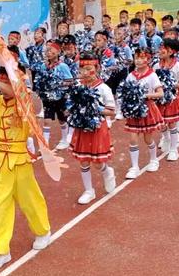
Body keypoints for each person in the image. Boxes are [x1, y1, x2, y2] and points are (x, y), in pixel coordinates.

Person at [0, 65, 51, 270]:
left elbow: (18, 93)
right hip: (0, 160)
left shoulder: (26, 98)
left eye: (6, 80)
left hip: (20, 159)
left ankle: (42, 231)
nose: (3, 85)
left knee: (30, 200)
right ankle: (1, 250)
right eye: (1, 80)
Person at [69, 53, 116, 204]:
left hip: (97, 127)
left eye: (89, 68)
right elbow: (71, 106)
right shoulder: (78, 87)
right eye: (82, 69)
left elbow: (111, 111)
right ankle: (89, 190)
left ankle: (107, 171)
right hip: (82, 127)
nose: (85, 72)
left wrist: (94, 108)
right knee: (83, 160)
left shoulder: (104, 88)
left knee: (97, 162)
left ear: (97, 68)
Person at [124, 48, 164, 179]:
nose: (138, 60)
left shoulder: (152, 75)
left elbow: (160, 93)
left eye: (142, 58)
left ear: (148, 60)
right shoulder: (131, 75)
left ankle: (154, 159)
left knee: (148, 139)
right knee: (133, 139)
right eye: (136, 58)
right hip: (134, 110)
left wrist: (145, 95)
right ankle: (134, 166)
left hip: (147, 109)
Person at [155, 38, 179, 161]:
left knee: (172, 123)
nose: (160, 50)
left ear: (171, 52)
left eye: (164, 48)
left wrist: (169, 84)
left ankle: (174, 149)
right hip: (160, 99)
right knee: (161, 123)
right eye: (161, 48)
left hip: (172, 98)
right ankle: (166, 139)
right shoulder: (156, 65)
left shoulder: (178, 66)